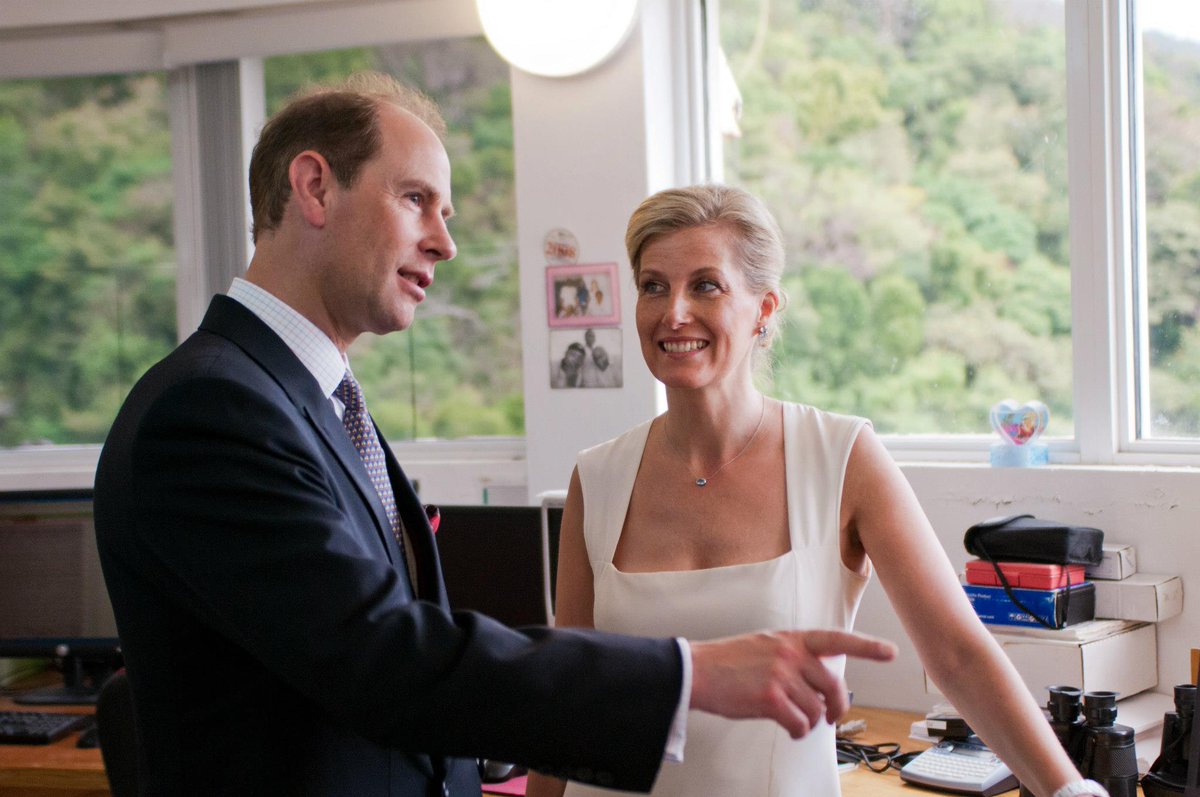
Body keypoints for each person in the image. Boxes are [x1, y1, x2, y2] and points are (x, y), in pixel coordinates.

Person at [92, 75, 898, 797]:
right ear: (314, 187)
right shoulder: (209, 412)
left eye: (446, 213)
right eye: (416, 200)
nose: (443, 240)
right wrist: (692, 673)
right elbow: (385, 657)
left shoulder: (311, 400)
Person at [526, 185, 1109, 797]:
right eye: (653, 286)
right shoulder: (597, 478)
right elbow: (567, 696)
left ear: (764, 309)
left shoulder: (841, 456)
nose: (674, 312)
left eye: (705, 285)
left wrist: (1069, 791)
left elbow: (959, 655)